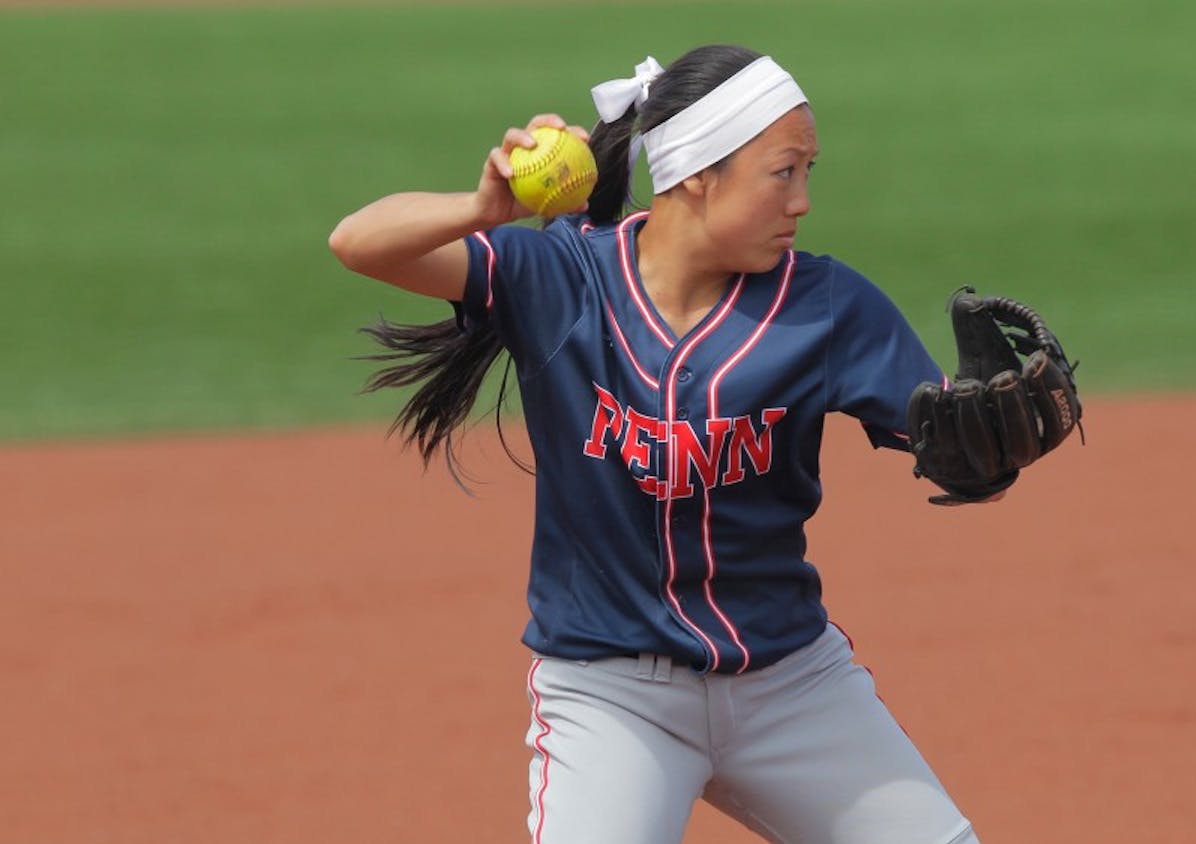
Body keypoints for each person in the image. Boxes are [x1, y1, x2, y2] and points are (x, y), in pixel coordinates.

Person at [329, 44, 985, 844]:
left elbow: (950, 439)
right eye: (784, 172)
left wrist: (990, 443)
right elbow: (359, 241)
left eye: (809, 171)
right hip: (613, 698)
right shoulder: (562, 277)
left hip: (791, 687)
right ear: (700, 173)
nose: (803, 200)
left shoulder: (827, 306)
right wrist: (481, 209)